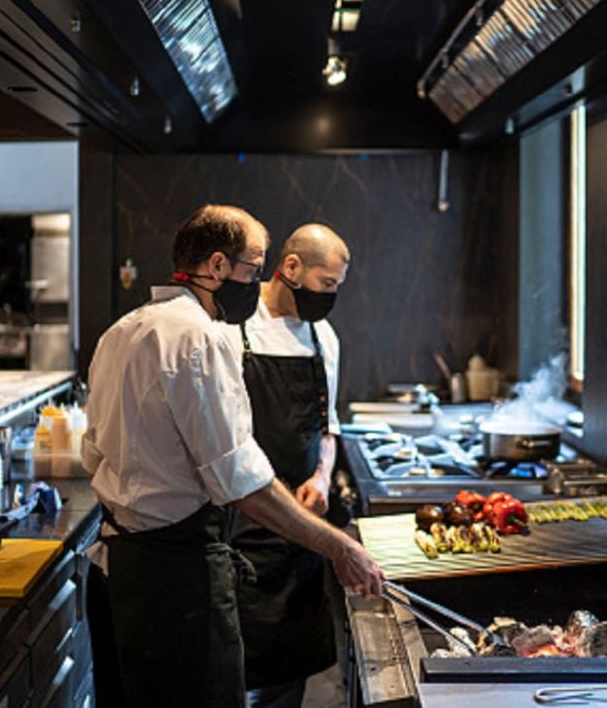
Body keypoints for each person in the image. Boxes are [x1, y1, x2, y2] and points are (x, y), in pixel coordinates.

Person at [82, 205, 383, 708]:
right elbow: (239, 480)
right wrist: (340, 547)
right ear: (217, 267)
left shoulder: (124, 330)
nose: (258, 281)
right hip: (176, 581)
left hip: (120, 570)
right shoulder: (202, 338)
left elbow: (92, 452)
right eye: (254, 267)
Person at [226, 223, 351, 707]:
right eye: (328, 284)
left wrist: (321, 476)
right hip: (241, 526)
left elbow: (328, 425)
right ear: (291, 268)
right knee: (235, 672)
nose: (331, 298)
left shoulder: (324, 338)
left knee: (288, 678)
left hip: (301, 532)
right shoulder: (233, 328)